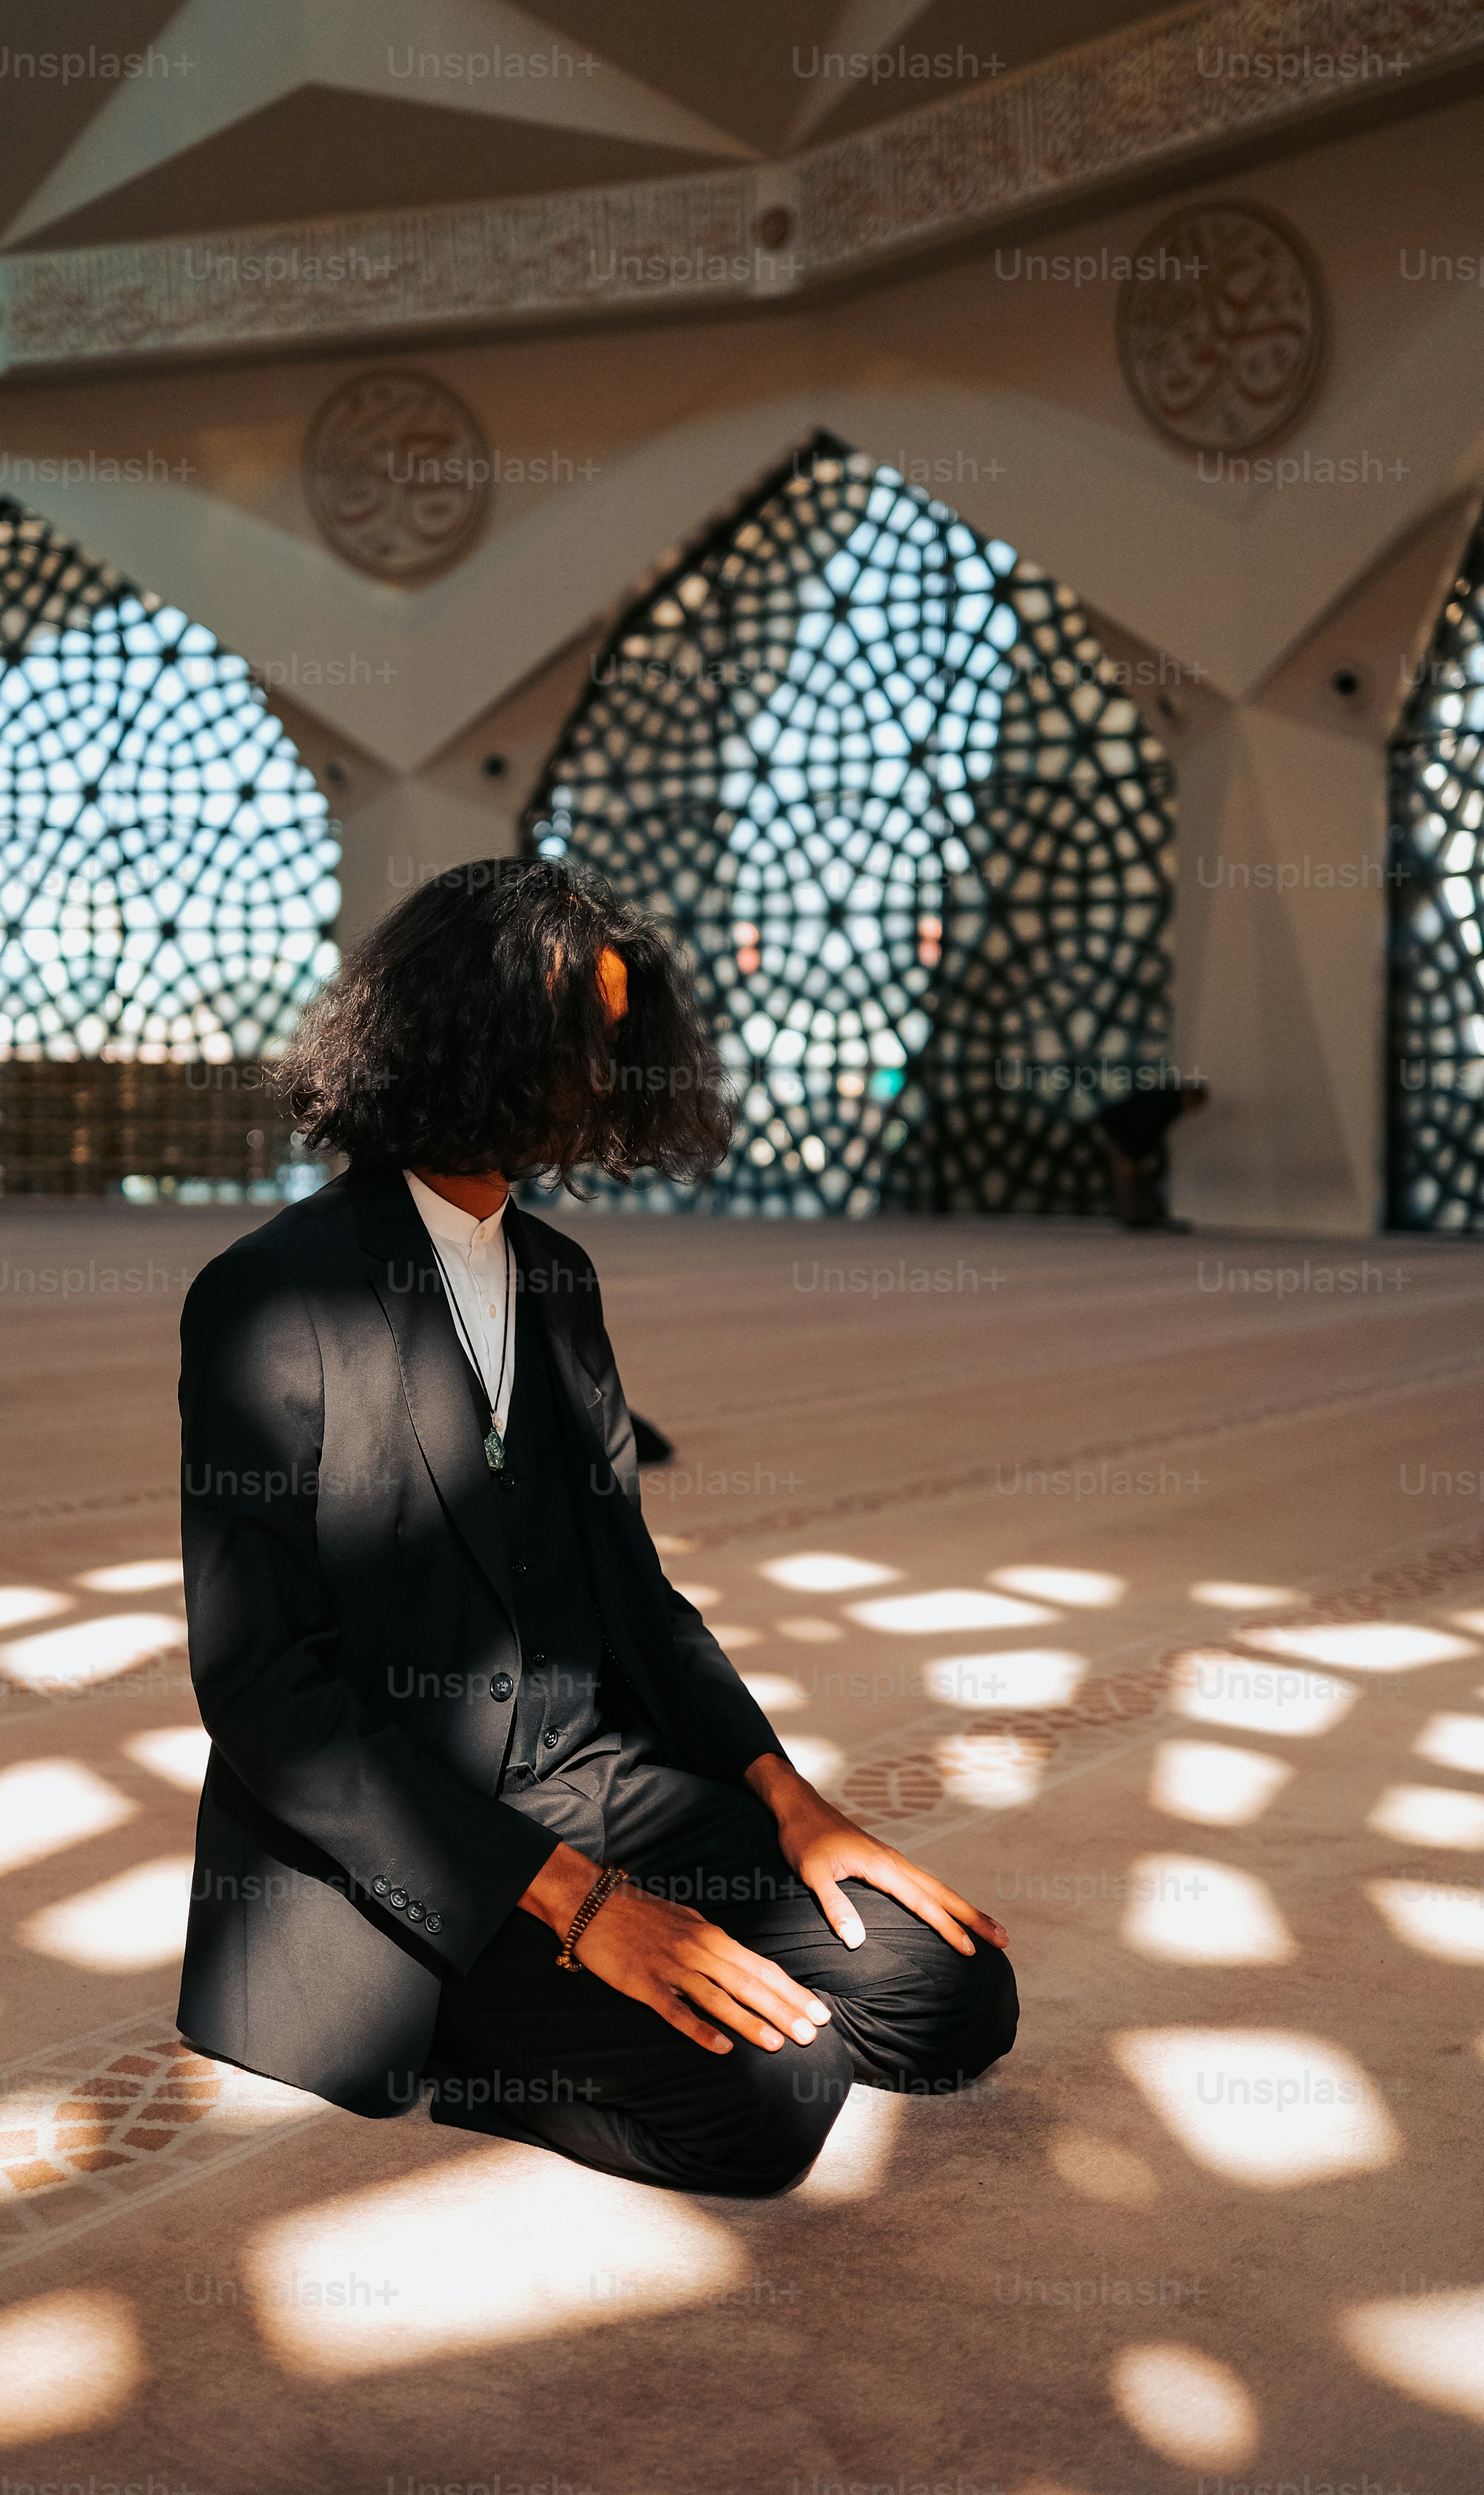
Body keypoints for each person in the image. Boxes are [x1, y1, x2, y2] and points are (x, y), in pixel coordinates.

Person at [176, 857, 1015, 2197]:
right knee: (767, 2097)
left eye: (618, 1039)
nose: (601, 1072)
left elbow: (637, 1593)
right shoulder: (269, 1296)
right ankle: (464, 2035)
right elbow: (265, 1691)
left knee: (950, 1993)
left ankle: (632, 1994)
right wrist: (581, 1908)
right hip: (405, 1851)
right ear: (466, 1026)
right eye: (578, 1036)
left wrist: (791, 1806)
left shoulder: (557, 1280)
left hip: (597, 1785)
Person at [1092, 1071, 1209, 1230]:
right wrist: (1132, 1155)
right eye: (1196, 1105)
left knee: (1136, 1174)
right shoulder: (1165, 1103)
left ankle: (1139, 1216)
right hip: (1115, 1132)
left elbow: (1152, 1133)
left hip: (1122, 1132)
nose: (1194, 1111)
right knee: (1126, 1174)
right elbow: (1141, 1128)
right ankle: (1131, 1218)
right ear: (1189, 1096)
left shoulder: (1171, 1103)